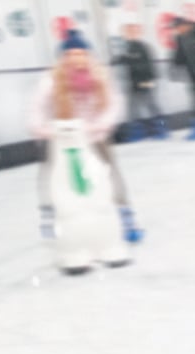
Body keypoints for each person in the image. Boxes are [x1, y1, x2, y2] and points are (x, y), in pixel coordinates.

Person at [30, 30, 143, 244]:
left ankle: (125, 216)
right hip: (62, 138)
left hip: (93, 135)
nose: (76, 58)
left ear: (88, 55)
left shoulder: (99, 76)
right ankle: (50, 214)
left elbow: (114, 102)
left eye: (81, 53)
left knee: (110, 173)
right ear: (63, 57)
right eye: (71, 53)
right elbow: (39, 106)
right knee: (53, 176)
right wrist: (40, 127)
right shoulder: (52, 79)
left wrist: (103, 124)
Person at [112, 23, 166, 141]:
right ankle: (137, 131)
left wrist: (149, 80)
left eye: (133, 31)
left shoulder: (143, 47)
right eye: (128, 32)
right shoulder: (127, 48)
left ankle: (161, 128)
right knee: (133, 108)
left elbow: (147, 66)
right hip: (133, 82)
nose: (130, 34)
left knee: (151, 104)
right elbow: (122, 59)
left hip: (145, 81)